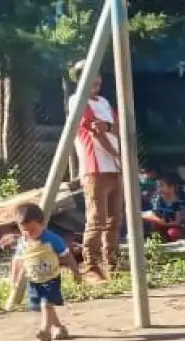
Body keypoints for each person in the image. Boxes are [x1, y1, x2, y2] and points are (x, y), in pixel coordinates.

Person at [70, 61, 121, 280]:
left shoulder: (105, 102)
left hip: (115, 168)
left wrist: (109, 127)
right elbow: (94, 131)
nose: (96, 80)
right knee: (96, 219)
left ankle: (111, 264)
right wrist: (116, 155)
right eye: (91, 75)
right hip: (95, 168)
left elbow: (116, 127)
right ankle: (91, 267)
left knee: (114, 219)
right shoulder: (78, 101)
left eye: (98, 75)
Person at [10, 203, 79, 341]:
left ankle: (45, 329)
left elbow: (67, 255)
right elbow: (18, 260)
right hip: (34, 280)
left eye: (32, 229)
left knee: (46, 303)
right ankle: (60, 328)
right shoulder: (23, 242)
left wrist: (75, 272)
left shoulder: (52, 239)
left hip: (51, 278)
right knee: (45, 306)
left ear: (42, 224)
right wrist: (14, 278)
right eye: (24, 230)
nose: (29, 233)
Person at [143, 175, 185, 242]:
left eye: (162, 186)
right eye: (158, 186)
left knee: (173, 232)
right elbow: (153, 214)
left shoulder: (178, 203)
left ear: (172, 187)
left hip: (174, 227)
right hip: (160, 225)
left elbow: (177, 222)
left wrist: (163, 223)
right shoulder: (159, 200)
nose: (159, 189)